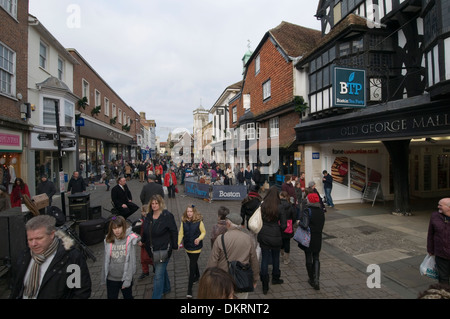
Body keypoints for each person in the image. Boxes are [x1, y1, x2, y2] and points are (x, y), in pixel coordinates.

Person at [10, 215, 92, 299]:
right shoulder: (24, 256)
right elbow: (16, 287)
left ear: (52, 234)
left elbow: (80, 292)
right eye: (30, 239)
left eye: (39, 238)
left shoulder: (71, 258)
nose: (33, 244)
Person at [207, 212, 259, 299]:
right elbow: (254, 260)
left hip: (223, 280)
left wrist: (209, 280)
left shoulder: (220, 239)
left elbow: (212, 262)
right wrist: (255, 278)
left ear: (228, 224)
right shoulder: (248, 238)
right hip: (242, 279)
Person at [140, 195, 178, 299]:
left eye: (156, 203)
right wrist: (142, 241)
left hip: (163, 249)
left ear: (160, 204)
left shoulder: (167, 216)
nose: (154, 206)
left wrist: (175, 245)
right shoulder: (148, 216)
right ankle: (166, 288)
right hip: (152, 250)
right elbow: (145, 231)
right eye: (152, 203)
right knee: (161, 269)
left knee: (158, 276)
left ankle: (156, 296)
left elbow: (174, 231)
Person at [101, 215, 140, 299]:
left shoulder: (129, 240)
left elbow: (131, 261)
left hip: (125, 278)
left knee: (128, 296)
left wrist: (128, 279)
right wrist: (103, 278)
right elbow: (105, 260)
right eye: (114, 228)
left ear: (124, 227)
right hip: (111, 278)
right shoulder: (107, 241)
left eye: (119, 227)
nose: (117, 230)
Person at [257, 186, 286, 294]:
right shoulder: (280, 206)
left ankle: (265, 284)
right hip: (276, 235)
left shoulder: (263, 205)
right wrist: (278, 230)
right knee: (275, 257)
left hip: (264, 233)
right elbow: (283, 225)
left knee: (264, 259)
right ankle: (275, 277)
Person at [299, 192, 325, 290]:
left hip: (309, 237)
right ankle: (317, 280)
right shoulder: (321, 211)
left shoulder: (307, 210)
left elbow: (305, 224)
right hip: (318, 236)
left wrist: (299, 222)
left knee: (308, 257)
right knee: (316, 257)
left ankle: (311, 279)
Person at [178, 205, 206, 298]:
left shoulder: (199, 222)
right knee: (193, 262)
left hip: (196, 248)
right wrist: (178, 243)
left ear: (194, 212)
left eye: (191, 211)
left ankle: (189, 289)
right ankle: (197, 275)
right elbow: (181, 233)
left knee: (191, 266)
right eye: (188, 211)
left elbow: (203, 232)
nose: (189, 213)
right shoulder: (184, 221)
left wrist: (199, 238)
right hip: (187, 247)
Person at [427, 198, 450, 285]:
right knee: (443, 278)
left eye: (440, 205)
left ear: (448, 207)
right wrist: (430, 249)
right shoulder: (435, 216)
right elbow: (430, 234)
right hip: (441, 254)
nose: (438, 207)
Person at [279, 191, 295, 265]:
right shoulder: (290, 205)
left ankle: (281, 252)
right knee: (287, 242)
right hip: (288, 225)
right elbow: (294, 216)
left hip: (280, 224)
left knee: (281, 240)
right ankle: (286, 258)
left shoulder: (278, 205)